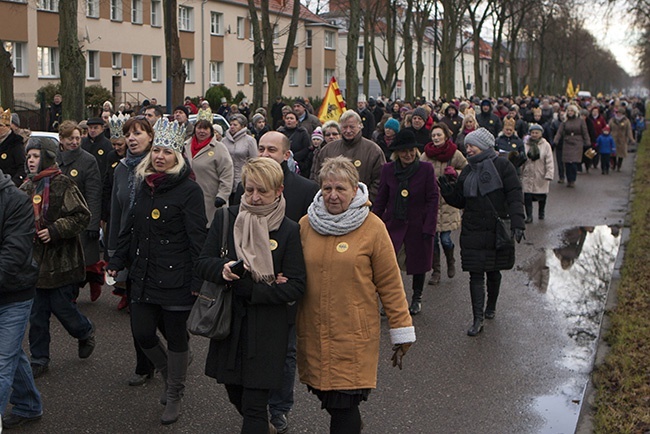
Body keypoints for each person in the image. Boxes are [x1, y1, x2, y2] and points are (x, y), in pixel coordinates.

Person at [297, 156, 415, 434]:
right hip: (314, 330)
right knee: (328, 396)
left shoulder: (373, 228)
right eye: (327, 189)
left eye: (340, 189)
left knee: (343, 404)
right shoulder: (306, 224)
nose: (333, 195)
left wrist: (401, 328)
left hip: (353, 333)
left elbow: (390, 282)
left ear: (355, 189)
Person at [107, 119, 207, 425]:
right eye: (157, 151)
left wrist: (197, 279)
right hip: (144, 273)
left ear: (177, 157)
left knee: (177, 336)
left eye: (167, 151)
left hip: (177, 276)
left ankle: (175, 392)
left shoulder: (189, 190)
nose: (160, 156)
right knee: (143, 333)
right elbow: (131, 227)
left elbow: (197, 238)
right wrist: (117, 258)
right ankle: (168, 373)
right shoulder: (144, 184)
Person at [196, 157, 306, 434]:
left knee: (255, 406)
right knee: (236, 392)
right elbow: (202, 262)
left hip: (268, 328)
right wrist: (222, 270)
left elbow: (296, 286)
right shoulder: (226, 218)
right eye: (249, 190)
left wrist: (256, 290)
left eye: (262, 191)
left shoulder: (289, 229)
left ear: (278, 190)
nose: (254, 198)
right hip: (229, 323)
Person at [438, 128, 525, 336]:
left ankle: (491, 307)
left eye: (472, 145)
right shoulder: (468, 170)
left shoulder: (503, 166)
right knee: (476, 275)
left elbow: (514, 194)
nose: (468, 149)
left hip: (496, 229)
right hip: (473, 230)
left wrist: (518, 222)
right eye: (466, 145)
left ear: (485, 146)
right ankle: (477, 319)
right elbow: (461, 200)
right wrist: (448, 192)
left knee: (494, 272)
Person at [20, 137, 95, 378]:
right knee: (37, 314)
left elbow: (82, 216)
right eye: (28, 156)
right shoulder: (26, 187)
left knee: (63, 308)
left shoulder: (64, 184)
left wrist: (54, 230)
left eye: (35, 155)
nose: (31, 160)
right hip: (35, 265)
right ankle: (40, 358)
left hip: (62, 262)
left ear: (48, 157)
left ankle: (84, 331)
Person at [108, 116, 158, 384]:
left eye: (138, 133)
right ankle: (144, 366)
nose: (132, 138)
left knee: (160, 311)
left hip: (158, 249)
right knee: (137, 312)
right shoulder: (121, 169)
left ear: (150, 137)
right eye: (128, 134)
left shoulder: (160, 165)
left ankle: (176, 349)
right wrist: (112, 250)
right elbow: (117, 211)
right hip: (130, 249)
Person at [373, 130, 439, 315]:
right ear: (397, 153)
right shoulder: (388, 170)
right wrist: (372, 223)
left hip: (418, 225)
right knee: (389, 265)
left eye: (411, 150)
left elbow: (433, 199)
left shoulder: (426, 169)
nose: (408, 154)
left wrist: (429, 227)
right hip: (394, 225)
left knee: (418, 264)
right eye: (403, 151)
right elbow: (381, 199)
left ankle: (417, 298)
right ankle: (392, 301)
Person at [0, 168, 43, 430]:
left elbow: (13, 255)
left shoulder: (16, 200)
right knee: (10, 353)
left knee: (2, 360)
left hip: (14, 294)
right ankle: (28, 404)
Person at [57, 121, 104, 303]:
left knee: (80, 260)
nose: (75, 142)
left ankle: (85, 286)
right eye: (70, 138)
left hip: (80, 218)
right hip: (59, 218)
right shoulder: (54, 159)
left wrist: (93, 222)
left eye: (77, 138)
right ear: (61, 140)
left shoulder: (87, 160)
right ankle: (69, 293)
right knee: (63, 259)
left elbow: (94, 193)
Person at [421, 123, 467, 287]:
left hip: (449, 201)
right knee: (433, 241)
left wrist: (456, 173)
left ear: (446, 136)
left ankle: (450, 259)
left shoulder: (454, 154)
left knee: (446, 239)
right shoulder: (426, 155)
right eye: (433, 136)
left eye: (439, 135)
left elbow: (467, 169)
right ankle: (436, 271)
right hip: (431, 202)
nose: (436, 138)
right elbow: (418, 171)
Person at [310, 111, 386, 202]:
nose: (348, 131)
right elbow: (317, 177)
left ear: (360, 126)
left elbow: (380, 180)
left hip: (362, 207)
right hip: (331, 204)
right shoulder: (327, 150)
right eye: (345, 127)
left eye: (352, 127)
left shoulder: (373, 151)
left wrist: (365, 201)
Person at [183, 119, 234, 226]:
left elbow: (227, 173)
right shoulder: (185, 146)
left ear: (211, 131)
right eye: (199, 128)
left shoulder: (219, 148)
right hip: (188, 198)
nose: (202, 131)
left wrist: (223, 195)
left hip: (211, 199)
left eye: (205, 128)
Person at [521, 124, 554, 223]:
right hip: (528, 174)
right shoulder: (525, 144)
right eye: (532, 133)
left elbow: (549, 161)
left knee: (541, 196)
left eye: (536, 133)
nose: (534, 135)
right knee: (527, 196)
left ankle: (541, 212)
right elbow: (522, 159)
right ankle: (529, 216)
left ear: (541, 134)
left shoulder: (546, 145)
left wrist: (549, 174)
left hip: (541, 174)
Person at [222, 113, 258, 204]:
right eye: (231, 124)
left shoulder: (249, 141)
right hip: (227, 179)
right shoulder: (223, 141)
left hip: (242, 179)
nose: (232, 127)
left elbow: (254, 160)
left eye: (235, 125)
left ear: (242, 127)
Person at [553, 104, 590, 187]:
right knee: (567, 163)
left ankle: (572, 179)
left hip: (577, 143)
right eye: (569, 111)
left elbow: (585, 132)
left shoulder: (581, 121)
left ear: (575, 112)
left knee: (573, 163)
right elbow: (559, 132)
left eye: (571, 111)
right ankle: (568, 179)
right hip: (567, 143)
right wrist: (555, 141)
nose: (570, 112)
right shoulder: (565, 121)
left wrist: (587, 142)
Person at [278, 111, 311, 177]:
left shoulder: (302, 133)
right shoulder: (280, 132)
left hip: (299, 163)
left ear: (296, 121)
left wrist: (293, 157)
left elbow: (306, 148)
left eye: (291, 118)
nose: (289, 120)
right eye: (287, 118)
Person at [0, 107, 26, 187]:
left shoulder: (15, 144)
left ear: (7, 127)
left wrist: (13, 184)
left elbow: (22, 167)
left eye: (0, 126)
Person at [608, 106, 635, 172]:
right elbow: (608, 128)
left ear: (623, 113)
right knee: (613, 153)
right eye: (617, 112)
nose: (618, 114)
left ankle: (619, 166)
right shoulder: (612, 120)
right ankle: (613, 164)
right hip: (613, 138)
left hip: (622, 139)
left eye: (620, 113)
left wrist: (631, 139)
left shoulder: (626, 121)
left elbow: (629, 130)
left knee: (621, 154)